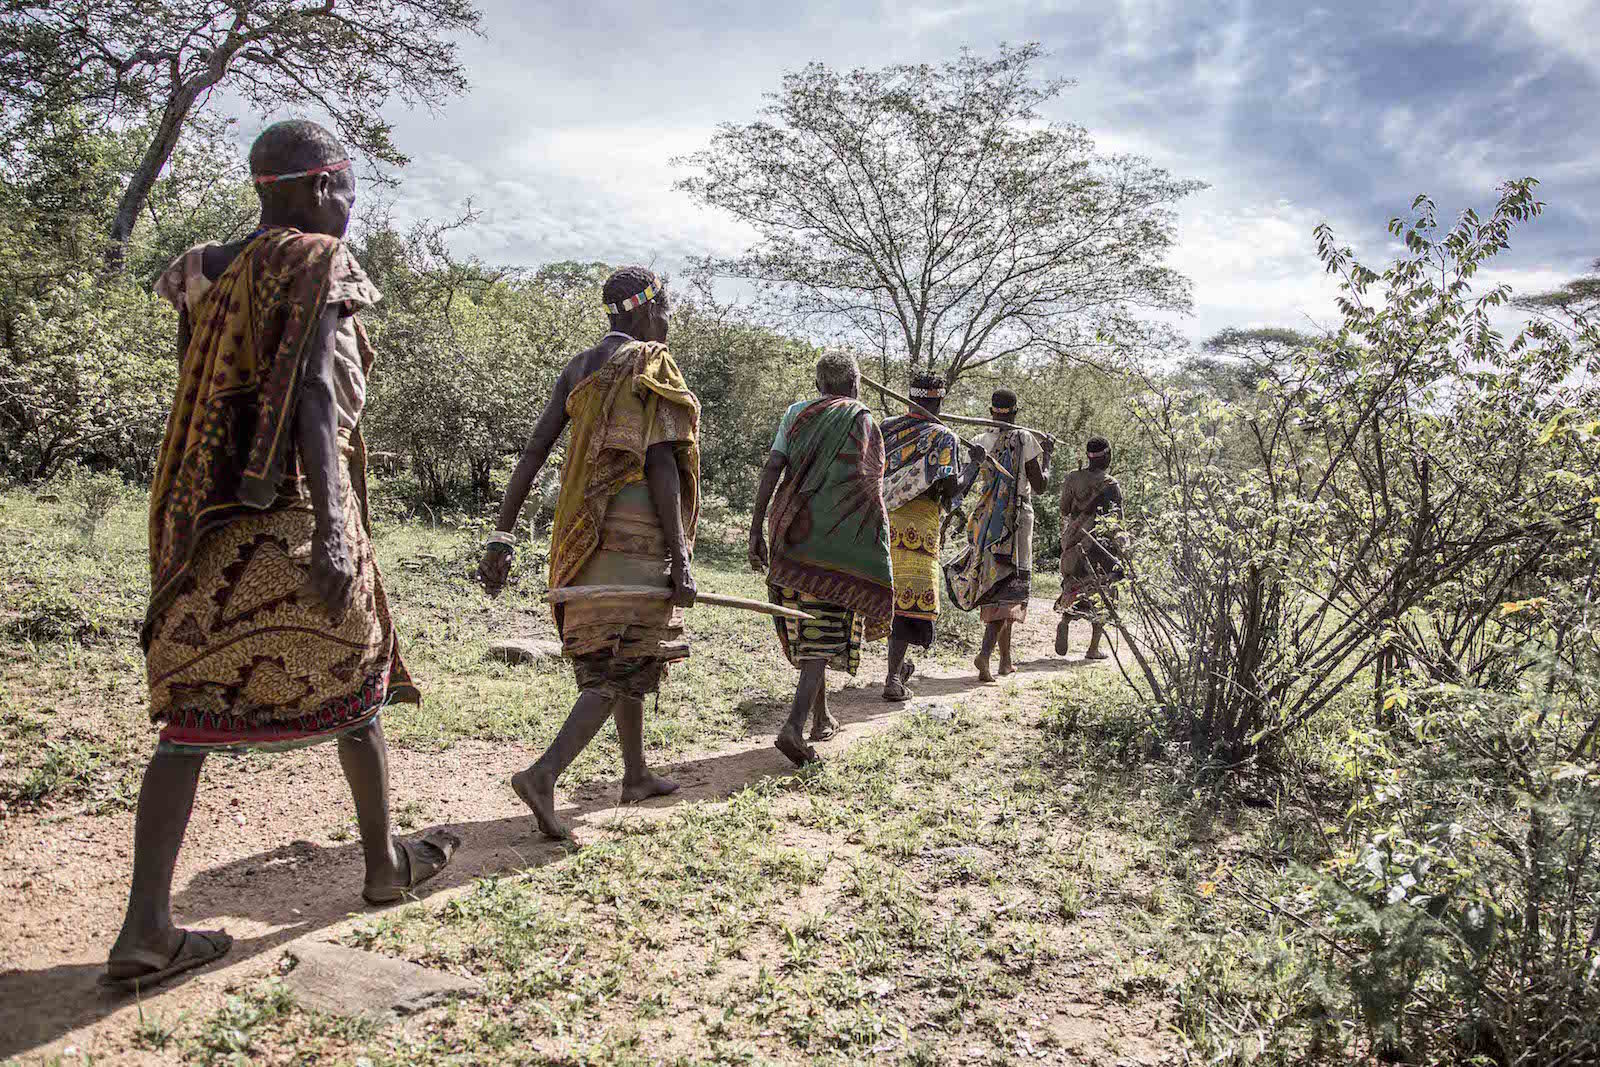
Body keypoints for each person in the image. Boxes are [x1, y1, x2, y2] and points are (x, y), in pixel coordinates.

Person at [106, 120, 457, 993]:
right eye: (346, 192)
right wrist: (336, 522)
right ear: (313, 187)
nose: (349, 209)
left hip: (201, 526)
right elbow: (311, 392)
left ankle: (146, 923)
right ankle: (384, 865)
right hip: (295, 512)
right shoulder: (317, 262)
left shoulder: (203, 270)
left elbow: (206, 391)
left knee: (186, 720)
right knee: (362, 684)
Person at [478, 266, 698, 840]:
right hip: (637, 534)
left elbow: (532, 451)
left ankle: (635, 773)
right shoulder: (652, 361)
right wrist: (680, 557)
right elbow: (660, 464)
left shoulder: (578, 368)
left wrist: (503, 534)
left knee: (622, 648)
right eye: (668, 311)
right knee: (619, 662)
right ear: (648, 309)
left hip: (580, 532)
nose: (669, 324)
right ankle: (543, 774)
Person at [748, 351, 894, 765]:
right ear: (854, 385)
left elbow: (772, 468)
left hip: (791, 530)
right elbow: (868, 483)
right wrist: (871, 537)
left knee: (805, 619)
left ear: (818, 385)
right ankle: (793, 727)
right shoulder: (862, 418)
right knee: (824, 627)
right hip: (837, 539)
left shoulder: (796, 413)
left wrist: (757, 526)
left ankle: (820, 716)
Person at [878, 372, 978, 701]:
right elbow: (952, 489)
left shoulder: (886, 427)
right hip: (917, 530)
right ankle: (893, 678)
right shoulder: (942, 437)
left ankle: (899, 668)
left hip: (880, 523)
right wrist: (974, 466)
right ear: (939, 400)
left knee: (884, 595)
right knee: (907, 602)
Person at [944, 387, 1053, 682]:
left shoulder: (980, 441)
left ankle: (1005, 660)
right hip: (1015, 520)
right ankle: (986, 654)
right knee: (1008, 587)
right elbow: (1040, 485)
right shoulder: (1024, 438)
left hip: (985, 519)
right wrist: (1049, 458)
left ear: (991, 412)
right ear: (1015, 412)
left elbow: (965, 481)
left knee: (996, 583)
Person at [1054, 436, 1126, 660]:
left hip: (1074, 543)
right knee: (1103, 595)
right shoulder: (1110, 485)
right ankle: (1093, 648)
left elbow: (1065, 509)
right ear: (1107, 457)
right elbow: (1116, 521)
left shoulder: (1072, 478)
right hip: (1099, 547)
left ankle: (1066, 620)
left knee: (1074, 585)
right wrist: (1123, 550)